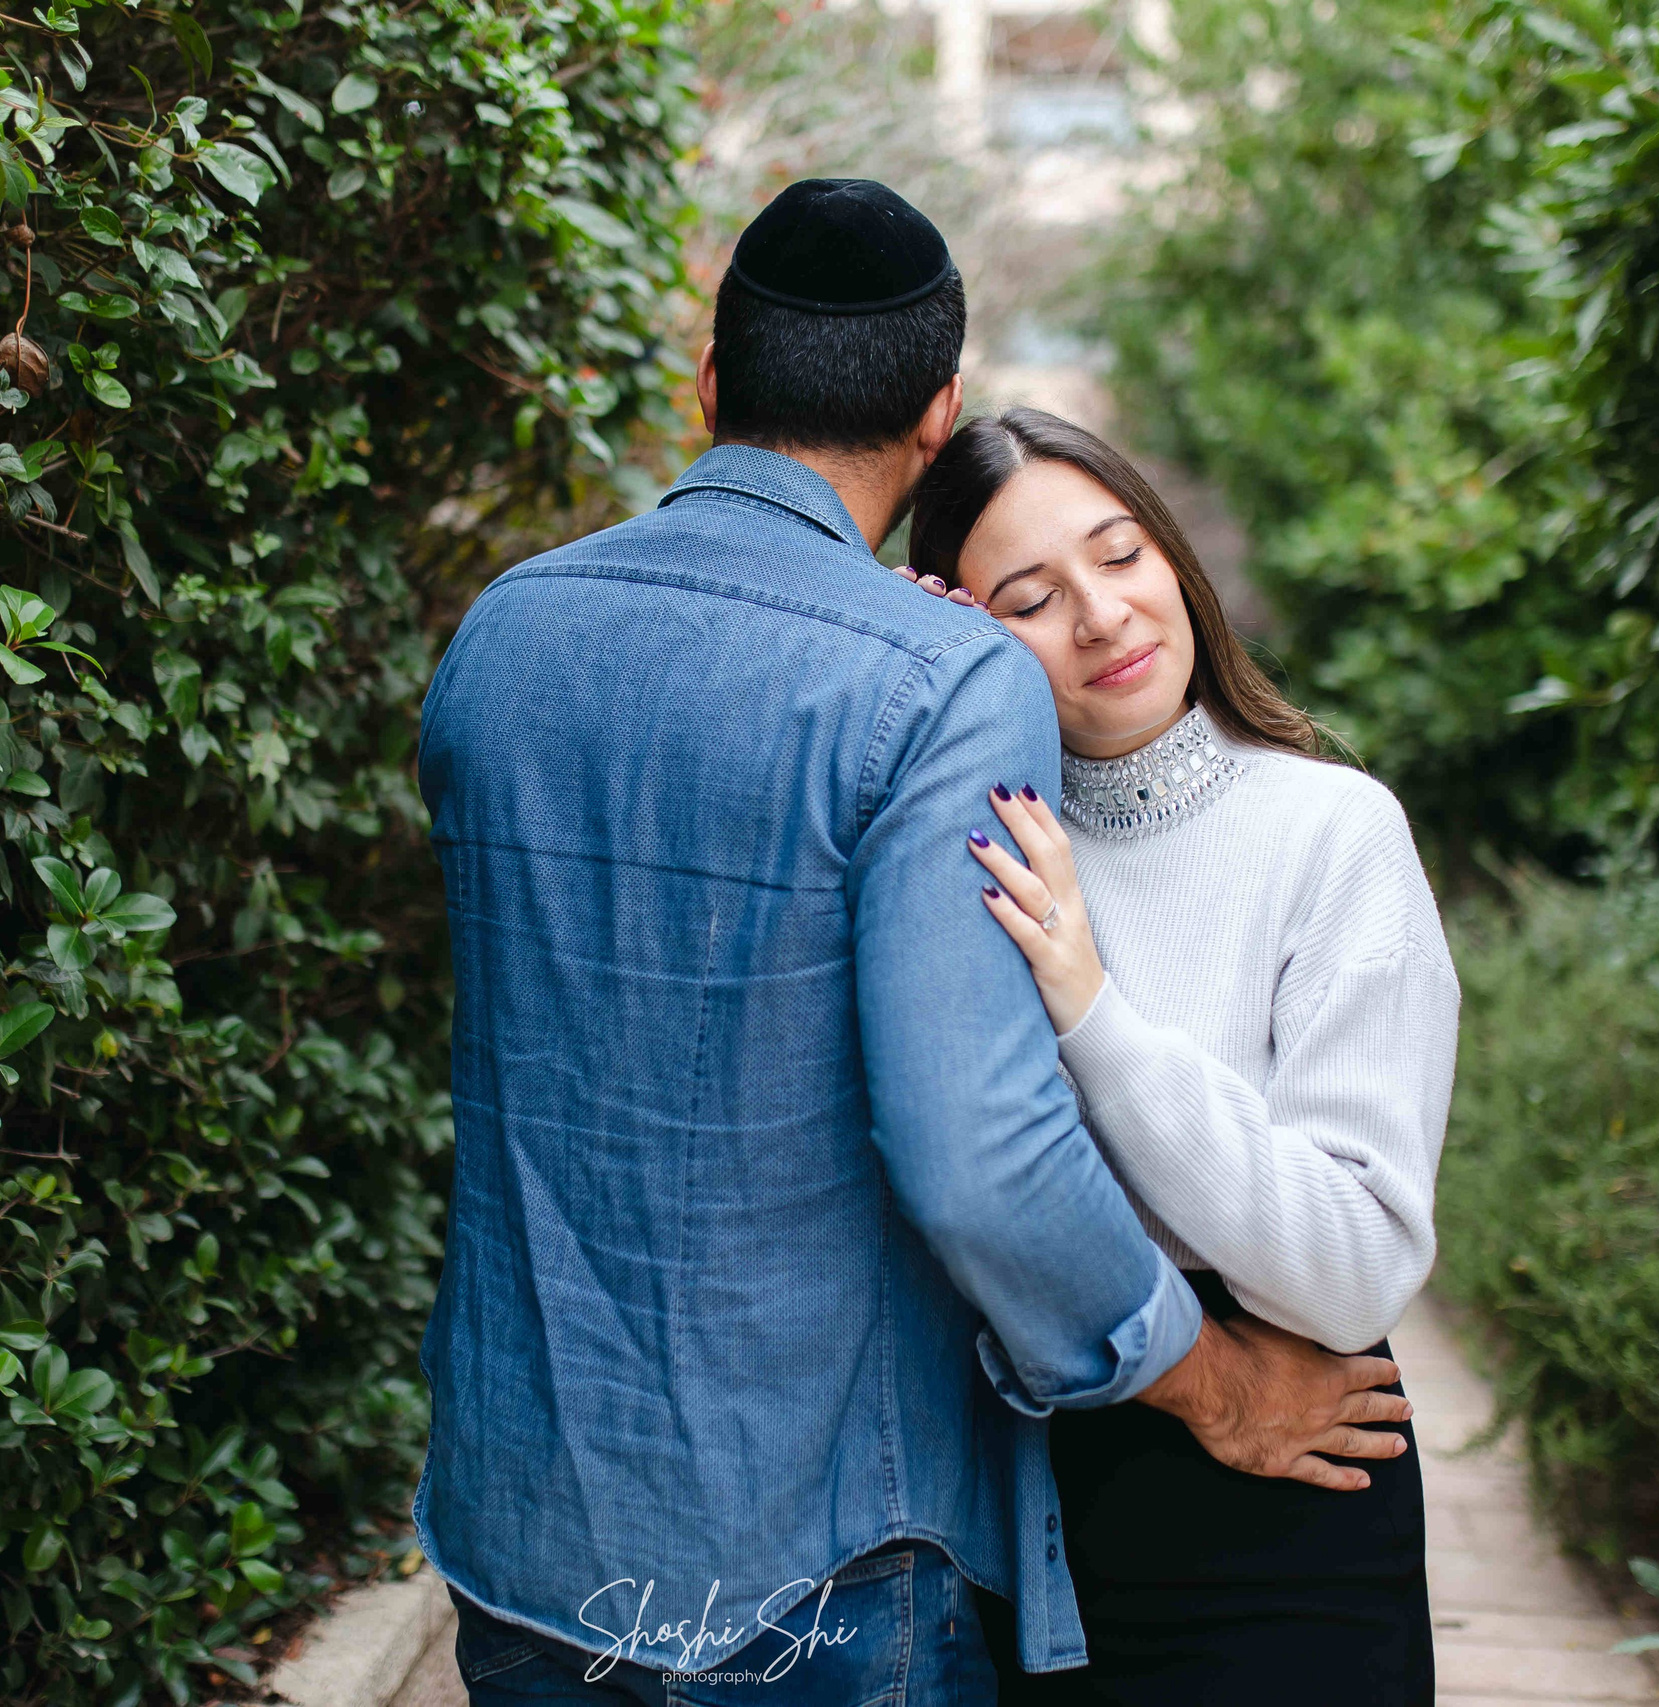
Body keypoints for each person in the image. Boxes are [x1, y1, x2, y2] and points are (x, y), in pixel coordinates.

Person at [412, 181, 1413, 1707]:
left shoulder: (500, 639)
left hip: (531, 1539)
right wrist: (1216, 1388)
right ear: (941, 414)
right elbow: (976, 1152)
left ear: (707, 379)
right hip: (826, 1559)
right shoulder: (938, 682)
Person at [898, 407, 1458, 1706]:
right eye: (1029, 597)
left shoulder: (1332, 833)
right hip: (1023, 1501)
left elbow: (1354, 1269)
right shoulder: (974, 858)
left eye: (1122, 553)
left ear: (1175, 559)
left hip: (1290, 1498)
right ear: (971, 634)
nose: (1101, 616)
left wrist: (1093, 1010)